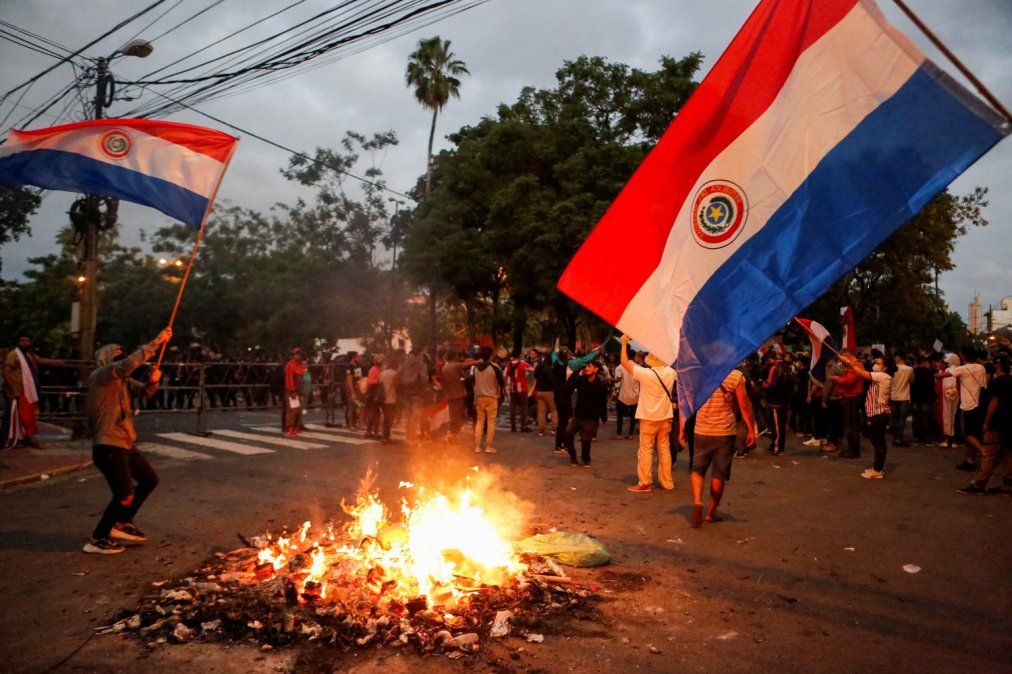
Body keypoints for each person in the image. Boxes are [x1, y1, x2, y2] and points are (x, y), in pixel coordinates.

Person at [83, 327, 171, 554]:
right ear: (107, 359)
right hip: (108, 444)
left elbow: (145, 392)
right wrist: (156, 342)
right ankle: (98, 537)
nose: (122, 359)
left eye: (123, 354)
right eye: (118, 356)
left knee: (149, 480)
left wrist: (153, 381)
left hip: (125, 443)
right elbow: (127, 365)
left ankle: (122, 521)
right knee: (124, 493)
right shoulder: (101, 376)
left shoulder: (123, 382)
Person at [683, 366, 756, 526]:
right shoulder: (735, 376)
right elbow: (744, 405)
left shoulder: (697, 374)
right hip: (724, 432)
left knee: (698, 469)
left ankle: (697, 501)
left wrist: (682, 428)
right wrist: (751, 429)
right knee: (719, 473)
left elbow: (686, 403)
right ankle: (710, 513)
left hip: (701, 429)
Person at [620, 335, 675, 493]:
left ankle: (645, 482)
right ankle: (667, 481)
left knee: (646, 449)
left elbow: (624, 362)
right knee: (664, 448)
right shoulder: (671, 372)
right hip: (666, 416)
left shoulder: (646, 374)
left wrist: (624, 344)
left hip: (649, 417)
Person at [958, 353, 1011, 494]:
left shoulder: (998, 382)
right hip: (1009, 423)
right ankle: (1008, 484)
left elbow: (994, 403)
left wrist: (986, 422)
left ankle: (979, 483)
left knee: (989, 454)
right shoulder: (1010, 380)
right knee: (1008, 454)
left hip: (997, 422)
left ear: (998, 365)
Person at [2, 333, 65, 449]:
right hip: (19, 391)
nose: (25, 343)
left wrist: (55, 362)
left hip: (29, 392)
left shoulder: (29, 355)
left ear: (30, 342)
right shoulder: (13, 354)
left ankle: (25, 439)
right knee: (24, 417)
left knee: (29, 416)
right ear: (18, 342)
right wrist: (13, 388)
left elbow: (39, 360)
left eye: (27, 341)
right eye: (22, 340)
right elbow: (6, 372)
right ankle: (24, 439)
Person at [842, 353, 892, 479]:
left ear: (885, 367)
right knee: (878, 443)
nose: (875, 365)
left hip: (879, 414)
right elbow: (863, 371)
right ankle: (877, 467)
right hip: (877, 414)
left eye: (879, 363)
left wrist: (849, 363)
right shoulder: (881, 376)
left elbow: (862, 373)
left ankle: (877, 470)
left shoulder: (883, 376)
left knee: (878, 443)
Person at [939, 347, 988, 471]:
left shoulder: (962, 369)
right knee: (975, 434)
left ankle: (986, 455)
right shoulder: (981, 367)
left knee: (967, 434)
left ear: (964, 357)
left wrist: (937, 370)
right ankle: (970, 461)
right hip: (980, 405)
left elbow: (941, 375)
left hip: (967, 406)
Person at [550, 340, 600, 453]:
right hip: (564, 395)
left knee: (562, 420)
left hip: (557, 395)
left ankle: (559, 443)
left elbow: (554, 354)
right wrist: (595, 353)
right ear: (567, 355)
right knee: (564, 421)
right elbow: (584, 361)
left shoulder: (555, 362)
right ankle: (559, 445)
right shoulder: (570, 365)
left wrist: (556, 349)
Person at [564, 358, 609, 467]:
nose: (587, 368)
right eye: (586, 366)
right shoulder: (580, 380)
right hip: (578, 415)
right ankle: (573, 457)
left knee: (585, 440)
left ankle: (586, 459)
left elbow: (603, 402)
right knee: (568, 434)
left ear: (596, 369)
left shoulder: (601, 385)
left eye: (590, 366)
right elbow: (568, 389)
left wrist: (604, 417)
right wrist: (575, 372)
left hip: (591, 418)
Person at [829, 351, 865, 459]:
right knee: (849, 425)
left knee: (851, 425)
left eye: (841, 359)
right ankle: (852, 449)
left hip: (851, 397)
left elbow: (849, 381)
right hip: (849, 396)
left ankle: (853, 451)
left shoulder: (855, 366)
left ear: (847, 357)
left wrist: (836, 379)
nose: (840, 362)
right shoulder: (852, 366)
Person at [471, 347, 504, 454]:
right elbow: (501, 382)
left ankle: (477, 446)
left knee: (480, 421)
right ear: (490, 356)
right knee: (491, 421)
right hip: (492, 397)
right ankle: (489, 446)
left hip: (479, 397)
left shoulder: (475, 368)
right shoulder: (495, 367)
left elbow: (473, 383)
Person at [761, 352, 793, 455]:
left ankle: (778, 448)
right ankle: (775, 445)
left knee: (777, 426)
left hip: (776, 402)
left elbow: (769, 384)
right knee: (780, 425)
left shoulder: (774, 368)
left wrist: (761, 384)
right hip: (783, 401)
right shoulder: (786, 367)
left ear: (770, 359)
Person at [612, 351, 641, 439]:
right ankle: (630, 434)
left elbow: (617, 379)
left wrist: (610, 379)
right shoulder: (639, 367)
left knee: (620, 415)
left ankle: (619, 434)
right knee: (633, 416)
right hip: (635, 396)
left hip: (623, 395)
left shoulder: (622, 366)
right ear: (634, 356)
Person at [911, 354, 937, 444]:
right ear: (924, 362)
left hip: (915, 398)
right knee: (925, 418)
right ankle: (926, 438)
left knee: (916, 418)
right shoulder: (929, 372)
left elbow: (911, 385)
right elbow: (932, 386)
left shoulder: (913, 371)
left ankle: (917, 438)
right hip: (926, 398)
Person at [505, 350, 533, 433]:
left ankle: (513, 426)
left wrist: (505, 386)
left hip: (512, 388)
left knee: (512, 408)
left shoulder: (508, 364)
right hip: (522, 388)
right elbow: (533, 370)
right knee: (523, 408)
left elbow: (505, 375)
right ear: (520, 355)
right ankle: (523, 426)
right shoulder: (524, 364)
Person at [282, 348, 307, 436]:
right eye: (296, 355)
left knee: (295, 410)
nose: (298, 356)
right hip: (292, 391)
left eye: (299, 355)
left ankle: (292, 427)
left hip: (297, 390)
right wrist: (292, 390)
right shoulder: (291, 365)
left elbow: (301, 377)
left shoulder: (298, 365)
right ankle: (288, 429)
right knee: (291, 411)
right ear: (293, 356)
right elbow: (289, 379)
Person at [890, 353, 913, 446]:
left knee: (894, 418)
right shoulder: (909, 369)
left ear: (899, 358)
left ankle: (895, 437)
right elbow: (912, 381)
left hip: (893, 396)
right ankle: (899, 437)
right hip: (904, 396)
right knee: (902, 419)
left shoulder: (892, 369)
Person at [532, 350, 556, 437]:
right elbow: (551, 379)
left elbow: (535, 375)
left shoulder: (539, 366)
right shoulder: (550, 368)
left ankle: (541, 429)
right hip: (549, 391)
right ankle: (554, 428)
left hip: (539, 391)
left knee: (541, 411)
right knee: (554, 410)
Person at [378, 356, 398, 443]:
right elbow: (397, 385)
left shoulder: (382, 373)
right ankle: (386, 436)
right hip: (391, 398)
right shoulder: (395, 374)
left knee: (385, 417)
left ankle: (384, 435)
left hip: (382, 398)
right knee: (390, 418)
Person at [364, 354, 384, 439]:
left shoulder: (379, 369)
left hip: (376, 393)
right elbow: (370, 382)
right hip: (373, 394)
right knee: (374, 414)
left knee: (376, 414)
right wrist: (379, 381)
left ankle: (372, 431)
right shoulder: (374, 369)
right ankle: (372, 432)